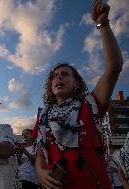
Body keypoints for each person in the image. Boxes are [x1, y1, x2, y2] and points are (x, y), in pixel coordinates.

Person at [34, 1, 123, 189]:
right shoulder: (43, 116)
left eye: (65, 74)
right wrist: (40, 172)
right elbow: (41, 153)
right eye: (55, 76)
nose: (58, 77)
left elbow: (114, 67)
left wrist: (102, 24)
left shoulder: (89, 104)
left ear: (76, 83)